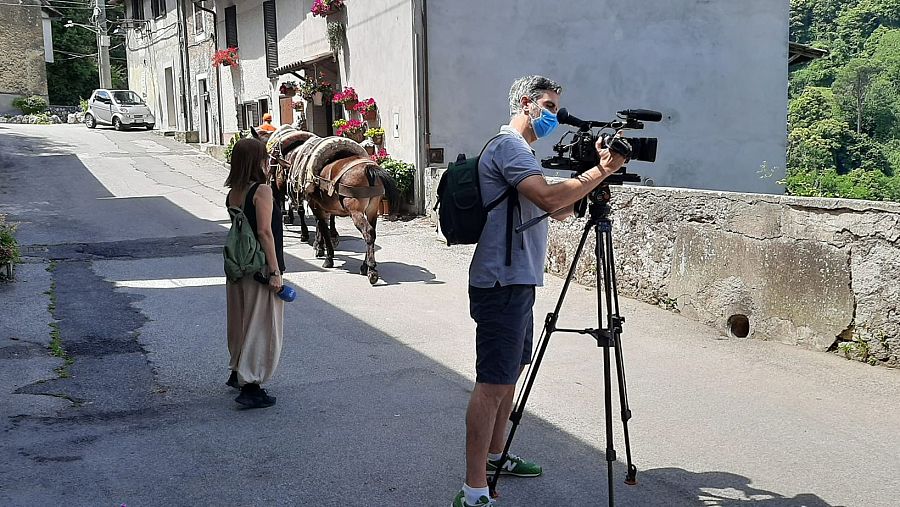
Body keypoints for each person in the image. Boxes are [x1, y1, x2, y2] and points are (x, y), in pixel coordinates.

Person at [452, 75, 627, 507]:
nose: (553, 115)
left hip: (517, 279)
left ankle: (496, 457)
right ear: (526, 103)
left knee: (508, 376)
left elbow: (560, 209)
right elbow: (548, 199)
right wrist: (601, 169)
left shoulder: (524, 152)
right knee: (492, 382)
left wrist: (592, 182)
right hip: (501, 281)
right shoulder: (508, 145)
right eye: (548, 106)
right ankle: (473, 490)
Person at [224, 138, 286, 409]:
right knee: (261, 325)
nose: (268, 161)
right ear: (257, 161)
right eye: (265, 157)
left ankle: (237, 371)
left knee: (240, 321)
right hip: (259, 267)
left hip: (237, 265)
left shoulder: (234, 191)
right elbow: (264, 232)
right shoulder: (262, 190)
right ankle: (251, 385)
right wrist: (275, 271)